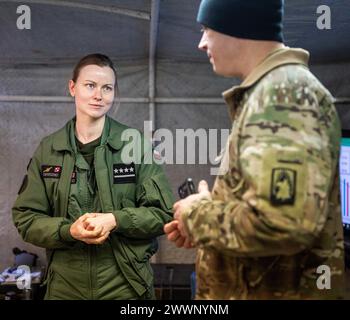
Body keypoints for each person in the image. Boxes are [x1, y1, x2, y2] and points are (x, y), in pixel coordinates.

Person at [164, 0, 345, 299]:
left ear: (237, 25)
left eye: (207, 29)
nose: (201, 43)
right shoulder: (270, 93)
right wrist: (209, 221)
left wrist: (196, 214)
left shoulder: (285, 98)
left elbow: (280, 224)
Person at [12, 53, 174, 300]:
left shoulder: (136, 146)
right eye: (90, 85)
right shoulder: (49, 149)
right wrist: (69, 231)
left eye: (107, 88)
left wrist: (115, 220)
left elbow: (163, 213)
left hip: (125, 285)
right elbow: (26, 217)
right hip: (65, 287)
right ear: (72, 87)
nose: (99, 95)